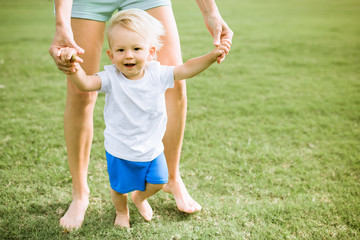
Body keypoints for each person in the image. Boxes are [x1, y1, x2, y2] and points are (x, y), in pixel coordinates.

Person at [49, 0, 233, 230]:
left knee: (176, 85)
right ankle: (80, 194)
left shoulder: (156, 72)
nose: (129, 56)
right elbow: (85, 83)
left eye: (136, 50)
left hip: (149, 147)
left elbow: (185, 68)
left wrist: (211, 21)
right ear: (112, 54)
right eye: (121, 51)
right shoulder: (110, 76)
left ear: (150, 53)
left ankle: (171, 179)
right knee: (79, 94)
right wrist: (72, 61)